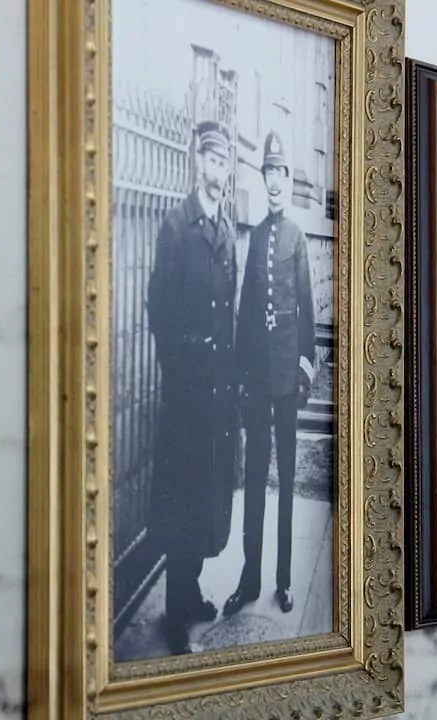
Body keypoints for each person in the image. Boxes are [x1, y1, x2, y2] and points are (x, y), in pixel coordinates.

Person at [147, 119, 240, 654]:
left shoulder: (225, 231)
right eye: (210, 159)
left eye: (224, 162)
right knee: (182, 501)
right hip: (186, 394)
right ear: (196, 163)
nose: (216, 169)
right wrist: (181, 372)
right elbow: (158, 309)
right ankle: (175, 608)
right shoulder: (177, 227)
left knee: (207, 499)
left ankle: (190, 592)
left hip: (217, 395)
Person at [224, 130, 315, 617]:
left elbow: (305, 307)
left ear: (288, 180)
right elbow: (243, 311)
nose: (275, 182)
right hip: (258, 382)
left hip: (286, 386)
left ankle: (283, 580)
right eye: (268, 174)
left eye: (280, 174)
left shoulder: (297, 238)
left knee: (284, 481)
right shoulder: (256, 237)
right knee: (255, 480)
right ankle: (250, 579)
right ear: (262, 181)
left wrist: (304, 371)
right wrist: (241, 376)